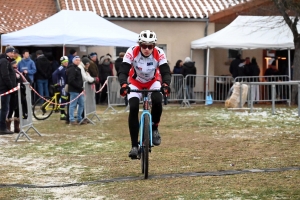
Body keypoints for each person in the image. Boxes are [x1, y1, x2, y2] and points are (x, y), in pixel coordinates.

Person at [118, 30, 171, 159]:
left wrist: (166, 85)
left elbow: (165, 72)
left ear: (154, 46)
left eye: (150, 46)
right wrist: (124, 85)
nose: (147, 49)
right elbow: (123, 71)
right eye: (144, 46)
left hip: (153, 82)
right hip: (136, 83)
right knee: (134, 108)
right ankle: (134, 146)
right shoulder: (131, 52)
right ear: (139, 45)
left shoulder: (159, 53)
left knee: (158, 100)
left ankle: (154, 127)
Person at [6, 60, 31, 133]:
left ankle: (16, 127)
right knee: (10, 110)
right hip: (12, 93)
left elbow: (26, 81)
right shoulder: (10, 73)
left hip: (19, 94)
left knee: (18, 110)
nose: (16, 66)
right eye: (14, 65)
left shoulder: (18, 73)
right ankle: (8, 127)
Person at [0, 46, 16, 134]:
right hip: (4, 89)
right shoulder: (4, 61)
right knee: (4, 108)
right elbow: (5, 75)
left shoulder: (6, 61)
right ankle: (2, 127)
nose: (13, 54)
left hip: (6, 88)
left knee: (5, 108)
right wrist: (11, 86)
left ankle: (3, 127)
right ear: (8, 53)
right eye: (12, 53)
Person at [66, 56, 85, 125]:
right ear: (73, 61)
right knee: (73, 105)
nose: (78, 61)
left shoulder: (78, 68)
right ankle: (71, 119)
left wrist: (81, 88)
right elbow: (71, 80)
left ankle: (79, 118)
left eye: (79, 60)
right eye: (76, 60)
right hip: (74, 90)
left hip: (79, 90)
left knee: (82, 104)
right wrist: (79, 87)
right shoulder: (72, 69)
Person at [52, 56, 69, 120]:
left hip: (65, 85)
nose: (66, 63)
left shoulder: (66, 67)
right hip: (62, 85)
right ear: (62, 62)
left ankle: (63, 112)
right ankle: (62, 114)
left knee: (65, 99)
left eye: (67, 62)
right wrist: (56, 83)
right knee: (63, 99)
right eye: (65, 62)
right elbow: (54, 74)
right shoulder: (61, 68)